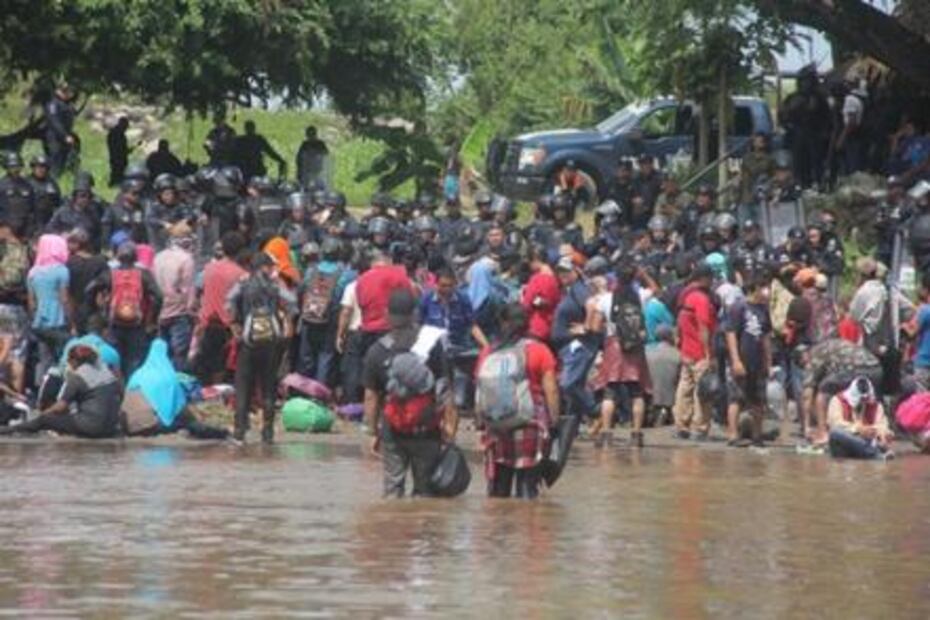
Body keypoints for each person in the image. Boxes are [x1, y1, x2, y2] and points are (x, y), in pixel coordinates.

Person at [362, 288, 456, 498]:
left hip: (392, 428)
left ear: (387, 314)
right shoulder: (431, 344)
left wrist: (373, 431)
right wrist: (449, 424)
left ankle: (394, 527)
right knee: (425, 491)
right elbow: (444, 386)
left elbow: (371, 396)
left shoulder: (377, 350)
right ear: (414, 313)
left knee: (393, 488)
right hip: (426, 427)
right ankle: (420, 528)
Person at [476, 304, 559, 499]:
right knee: (527, 489)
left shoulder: (488, 352)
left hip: (496, 425)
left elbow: (480, 389)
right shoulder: (540, 351)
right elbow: (551, 391)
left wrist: (480, 426)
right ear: (527, 324)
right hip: (529, 423)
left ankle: (499, 527)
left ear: (502, 323)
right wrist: (554, 422)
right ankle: (525, 524)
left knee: (498, 490)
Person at [226, 252, 298, 443]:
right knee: (268, 387)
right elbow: (291, 301)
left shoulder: (243, 283)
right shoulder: (274, 285)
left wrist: (234, 324)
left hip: (248, 342)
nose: (273, 269)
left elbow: (229, 300)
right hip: (270, 343)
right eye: (270, 266)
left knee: (243, 387)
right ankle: (267, 433)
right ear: (264, 267)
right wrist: (288, 320)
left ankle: (239, 433)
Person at [0, 345, 120, 438]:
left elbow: (60, 407)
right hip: (111, 427)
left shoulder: (77, 377)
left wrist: (43, 414)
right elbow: (119, 393)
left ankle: (10, 430)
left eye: (69, 359)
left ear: (74, 361)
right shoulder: (108, 373)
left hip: (91, 427)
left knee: (45, 420)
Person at [125, 339, 230, 440]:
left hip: (129, 426)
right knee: (189, 423)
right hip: (154, 426)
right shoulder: (169, 377)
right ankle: (222, 434)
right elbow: (180, 406)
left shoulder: (137, 374)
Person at [86, 241, 163, 377]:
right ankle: (132, 391)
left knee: (115, 358)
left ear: (118, 257)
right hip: (137, 324)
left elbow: (89, 290)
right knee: (135, 359)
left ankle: (117, 390)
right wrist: (151, 320)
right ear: (135, 257)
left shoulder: (109, 274)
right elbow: (158, 296)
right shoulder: (143, 274)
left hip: (114, 323)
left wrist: (95, 310)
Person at [798, 338, 883, 445]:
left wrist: (806, 427)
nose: (805, 368)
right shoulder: (829, 345)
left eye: (803, 365)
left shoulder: (814, 356)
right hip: (876, 368)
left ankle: (823, 434)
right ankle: (872, 435)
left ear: (804, 356)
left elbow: (807, 396)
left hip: (856, 369)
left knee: (822, 390)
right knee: (860, 399)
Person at [192, 231, 247, 384]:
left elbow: (197, 293)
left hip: (205, 323)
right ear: (241, 250)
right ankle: (217, 399)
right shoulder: (241, 274)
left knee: (204, 364)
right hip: (227, 327)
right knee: (221, 367)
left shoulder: (208, 268)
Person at [724, 275, 772, 447]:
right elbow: (730, 334)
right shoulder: (739, 307)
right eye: (764, 288)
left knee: (759, 399)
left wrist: (768, 362)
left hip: (758, 362)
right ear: (755, 289)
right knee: (736, 398)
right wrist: (736, 360)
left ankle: (757, 435)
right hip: (742, 359)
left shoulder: (764, 309)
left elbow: (766, 336)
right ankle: (732, 434)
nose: (767, 292)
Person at [673, 264, 717, 440]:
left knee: (684, 388)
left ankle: (681, 425)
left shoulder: (686, 296)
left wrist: (680, 343)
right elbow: (704, 327)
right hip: (699, 352)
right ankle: (700, 427)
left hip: (686, 351)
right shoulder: (701, 299)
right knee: (703, 391)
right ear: (705, 278)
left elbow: (679, 324)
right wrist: (708, 354)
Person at [297, 237, 350, 383]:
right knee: (325, 356)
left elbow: (301, 290)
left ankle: (302, 390)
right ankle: (319, 394)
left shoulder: (311, 270)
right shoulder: (343, 274)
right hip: (330, 321)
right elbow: (342, 298)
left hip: (309, 318)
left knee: (306, 356)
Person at [552, 256, 598, 421]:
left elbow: (592, 305)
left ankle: (595, 410)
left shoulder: (579, 288)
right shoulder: (571, 289)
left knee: (568, 384)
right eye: (560, 272)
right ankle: (574, 425)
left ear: (576, 271)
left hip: (578, 346)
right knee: (574, 386)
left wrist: (585, 327)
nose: (562, 275)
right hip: (568, 347)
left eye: (567, 271)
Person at [28, 234, 73, 386]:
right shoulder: (62, 271)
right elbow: (64, 298)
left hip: (39, 321)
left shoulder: (33, 272)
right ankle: (59, 389)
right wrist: (71, 321)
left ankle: (41, 390)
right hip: (58, 319)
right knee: (61, 357)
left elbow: (31, 303)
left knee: (43, 358)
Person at [356, 248, 414, 354]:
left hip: (368, 331)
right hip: (391, 331)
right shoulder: (399, 275)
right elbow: (409, 300)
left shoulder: (362, 279)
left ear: (373, 263)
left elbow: (361, 303)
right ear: (390, 262)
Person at [153, 229, 197, 370]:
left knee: (162, 353)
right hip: (179, 313)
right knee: (179, 355)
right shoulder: (186, 259)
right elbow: (187, 290)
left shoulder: (158, 257)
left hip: (160, 311)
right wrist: (192, 312)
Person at [826, 376, 893, 460]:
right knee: (835, 433)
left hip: (868, 442)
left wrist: (883, 434)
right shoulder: (837, 400)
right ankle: (875, 455)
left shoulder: (876, 406)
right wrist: (858, 429)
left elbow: (882, 424)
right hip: (845, 445)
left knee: (882, 438)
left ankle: (873, 453)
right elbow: (835, 423)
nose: (862, 401)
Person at [65, 228, 108, 333]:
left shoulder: (70, 263)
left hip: (78, 311)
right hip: (96, 311)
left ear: (77, 244)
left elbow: (68, 293)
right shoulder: (100, 261)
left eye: (70, 242)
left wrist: (71, 319)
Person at [646, 324, 680, 428]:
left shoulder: (647, 352)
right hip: (671, 398)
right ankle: (665, 412)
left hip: (650, 396)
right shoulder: (678, 354)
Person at [43, 83, 78, 177]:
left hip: (64, 135)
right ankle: (51, 178)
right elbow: (54, 122)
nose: (69, 95)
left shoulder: (66, 104)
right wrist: (65, 136)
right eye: (66, 92)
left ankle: (58, 177)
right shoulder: (53, 103)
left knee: (63, 158)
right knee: (55, 157)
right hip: (54, 136)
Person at [0, 152, 35, 239]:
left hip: (23, 229)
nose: (15, 169)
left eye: (17, 166)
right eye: (12, 167)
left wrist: (29, 230)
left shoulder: (27, 185)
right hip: (5, 229)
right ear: (6, 167)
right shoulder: (1, 185)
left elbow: (31, 209)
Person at [27, 154, 61, 228]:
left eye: (43, 167)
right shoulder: (26, 183)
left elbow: (58, 202)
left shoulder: (52, 183)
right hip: (31, 222)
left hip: (48, 220)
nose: (41, 169)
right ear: (33, 168)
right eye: (38, 167)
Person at [107, 117, 131, 186]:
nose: (126, 129)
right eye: (125, 126)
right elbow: (121, 149)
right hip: (118, 158)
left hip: (115, 157)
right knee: (117, 173)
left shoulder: (113, 133)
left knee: (116, 173)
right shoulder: (118, 134)